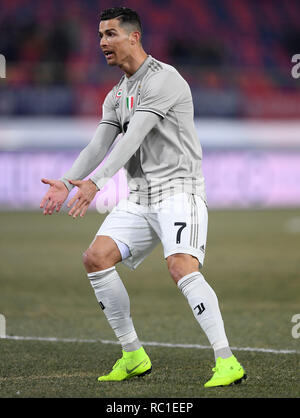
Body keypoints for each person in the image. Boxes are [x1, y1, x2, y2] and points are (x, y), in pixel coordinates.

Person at [40, 7, 246, 387]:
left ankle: (227, 360)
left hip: (178, 191)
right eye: (101, 35)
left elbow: (132, 137)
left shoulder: (164, 80)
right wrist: (68, 182)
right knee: (96, 258)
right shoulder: (117, 94)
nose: (103, 42)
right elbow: (98, 144)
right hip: (141, 196)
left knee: (181, 266)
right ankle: (133, 354)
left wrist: (96, 184)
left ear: (134, 37)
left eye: (111, 34)